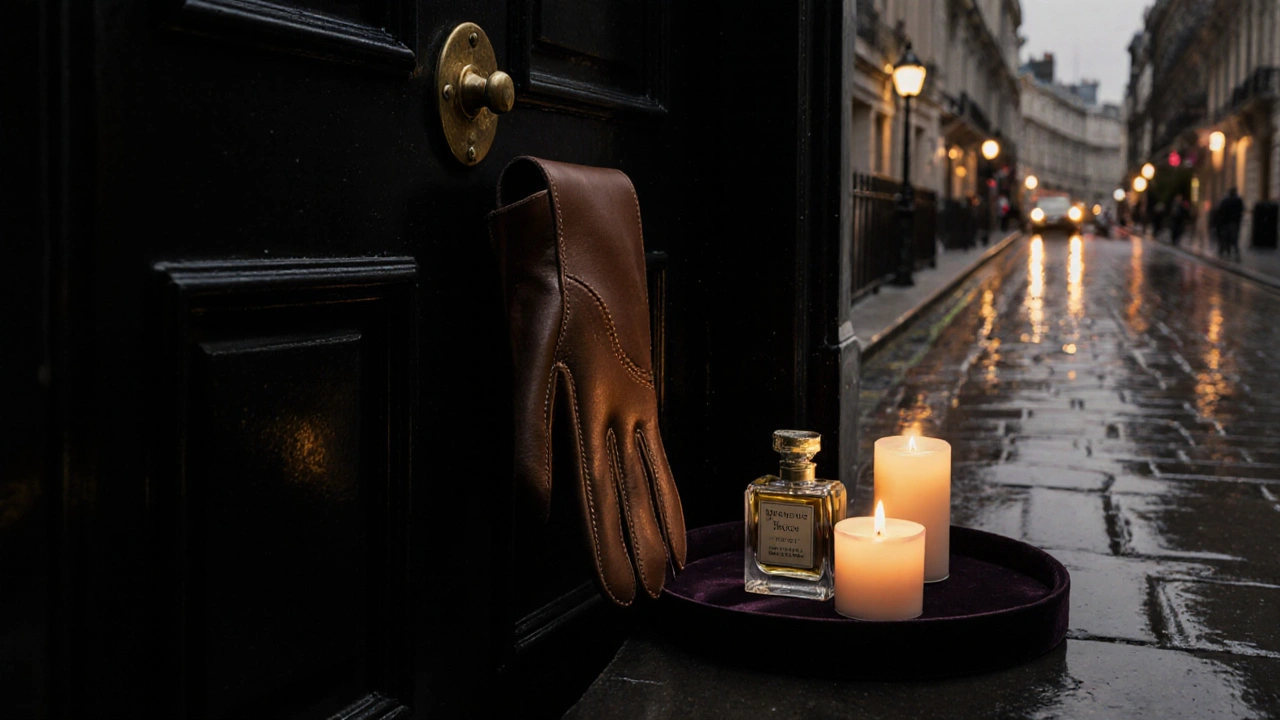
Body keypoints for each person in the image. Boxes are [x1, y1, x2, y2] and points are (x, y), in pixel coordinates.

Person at [1216, 187, 1244, 260]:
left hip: (1226, 223)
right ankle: (1236, 254)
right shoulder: (1238, 200)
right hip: (1234, 222)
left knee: (1225, 238)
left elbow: (1220, 212)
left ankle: (1223, 252)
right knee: (1234, 240)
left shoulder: (1225, 201)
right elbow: (1241, 211)